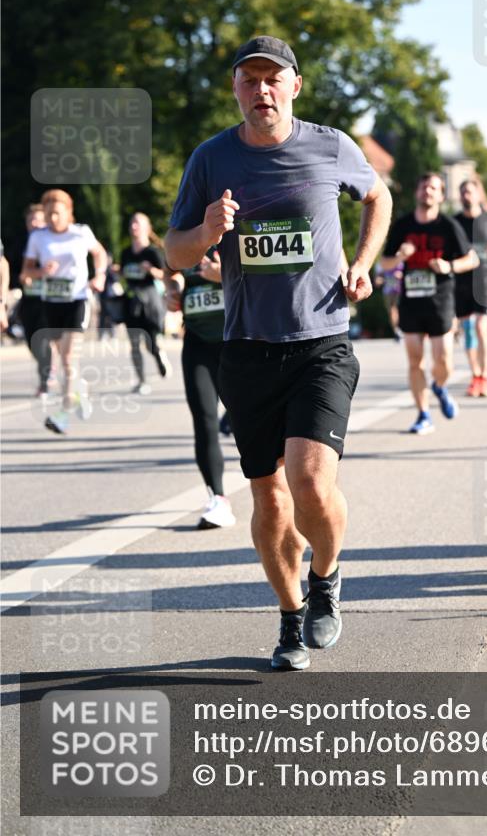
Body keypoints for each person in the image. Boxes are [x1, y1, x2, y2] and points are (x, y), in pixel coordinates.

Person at [165, 35, 392, 671]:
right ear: (236, 89)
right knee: (269, 497)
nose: (260, 91)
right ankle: (292, 618)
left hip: (321, 339)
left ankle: (328, 576)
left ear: (295, 86)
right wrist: (206, 232)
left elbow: (379, 196)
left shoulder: (333, 146)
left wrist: (365, 261)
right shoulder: (211, 159)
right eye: (248, 81)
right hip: (246, 349)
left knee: (311, 479)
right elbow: (174, 252)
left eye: (273, 79)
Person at [381, 173, 477, 433]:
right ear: (417, 192)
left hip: (441, 300)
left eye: (433, 188)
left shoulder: (447, 226)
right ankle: (423, 414)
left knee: (443, 360)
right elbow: (384, 263)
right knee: (415, 361)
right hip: (411, 301)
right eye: (424, 187)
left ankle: (440, 386)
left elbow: (472, 259)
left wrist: (448, 266)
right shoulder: (402, 226)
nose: (428, 192)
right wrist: (400, 255)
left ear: (441, 195)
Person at [21, 189, 106, 434]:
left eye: (57, 213)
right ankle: (81, 391)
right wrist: (40, 271)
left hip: (77, 300)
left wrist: (99, 276)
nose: (52, 218)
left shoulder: (81, 233)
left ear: (68, 213)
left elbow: (99, 254)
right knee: (68, 362)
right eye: (48, 214)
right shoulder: (38, 237)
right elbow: (26, 272)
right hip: (51, 303)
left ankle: (63, 415)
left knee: (68, 359)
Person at [166, 249, 235, 530]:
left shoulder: (240, 224)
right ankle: (218, 497)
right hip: (197, 344)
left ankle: (276, 491)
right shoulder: (187, 231)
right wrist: (173, 290)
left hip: (238, 341)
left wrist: (224, 276)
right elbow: (170, 266)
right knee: (204, 420)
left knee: (251, 421)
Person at [454, 178, 487, 397]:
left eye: (470, 192)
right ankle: (476, 376)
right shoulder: (454, 222)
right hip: (462, 281)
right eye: (463, 192)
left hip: (485, 280)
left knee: (482, 328)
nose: (466, 195)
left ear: (478, 194)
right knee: (468, 331)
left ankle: (485, 377)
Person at [121, 212, 171, 394]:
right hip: (132, 300)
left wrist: (150, 270)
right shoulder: (126, 252)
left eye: (138, 223)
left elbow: (166, 275)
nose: (134, 226)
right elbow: (125, 275)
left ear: (147, 229)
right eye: (132, 223)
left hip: (150, 301)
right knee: (134, 343)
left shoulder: (152, 252)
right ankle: (141, 381)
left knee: (150, 342)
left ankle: (158, 356)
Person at [17, 205, 53, 395]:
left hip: (48, 301)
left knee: (42, 341)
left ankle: (45, 382)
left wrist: (40, 273)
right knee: (31, 341)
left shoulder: (51, 244)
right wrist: (22, 277)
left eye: (38, 219)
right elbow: (15, 270)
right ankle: (47, 368)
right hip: (28, 300)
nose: (34, 223)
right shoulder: (21, 244)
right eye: (30, 220)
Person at [373, 260, 403, 340]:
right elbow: (377, 280)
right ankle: (397, 330)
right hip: (389, 291)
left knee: (400, 310)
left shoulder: (401, 259)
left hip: (403, 290)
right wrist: (381, 280)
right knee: (392, 310)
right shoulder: (380, 263)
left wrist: (401, 275)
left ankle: (403, 329)